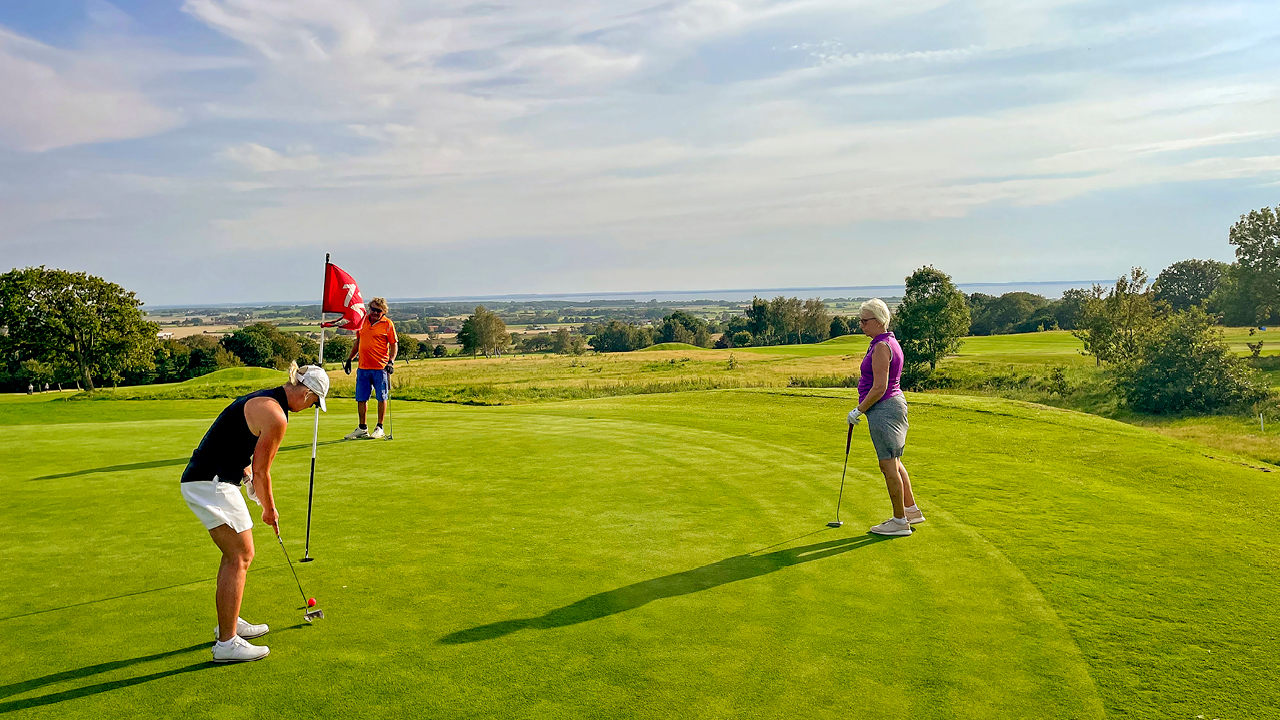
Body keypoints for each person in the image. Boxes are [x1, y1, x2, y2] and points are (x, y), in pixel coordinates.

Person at [180, 363, 329, 662]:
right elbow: (263, 471)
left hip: (208, 478)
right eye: (314, 402)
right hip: (211, 482)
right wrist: (269, 509)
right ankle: (226, 645)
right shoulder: (276, 416)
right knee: (241, 555)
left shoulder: (264, 398)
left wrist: (244, 473)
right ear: (306, 393)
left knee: (234, 554)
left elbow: (234, 444)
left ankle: (230, 625)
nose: (310, 407)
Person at [847, 299, 924, 537]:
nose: (861, 325)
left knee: (887, 464)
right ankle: (911, 510)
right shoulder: (884, 342)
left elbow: (879, 387)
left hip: (884, 409)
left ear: (879, 321)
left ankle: (899, 522)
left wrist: (858, 410)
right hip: (890, 406)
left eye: (865, 320)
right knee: (895, 461)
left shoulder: (882, 346)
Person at [344, 297, 398, 439]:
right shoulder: (362, 321)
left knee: (381, 397)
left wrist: (391, 361)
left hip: (380, 367)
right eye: (372, 309)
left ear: (384, 311)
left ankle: (379, 427)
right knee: (361, 398)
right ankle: (362, 428)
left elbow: (393, 345)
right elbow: (358, 341)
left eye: (378, 311)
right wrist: (350, 358)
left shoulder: (388, 324)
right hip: (363, 367)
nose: (374, 313)